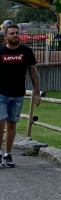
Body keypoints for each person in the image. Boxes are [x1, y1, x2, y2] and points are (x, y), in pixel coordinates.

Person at [0, 22, 41, 168]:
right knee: (0, 122)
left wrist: (37, 92)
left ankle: (7, 154)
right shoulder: (1, 52)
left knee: (12, 123)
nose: (15, 36)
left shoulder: (26, 52)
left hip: (18, 94)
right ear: (6, 36)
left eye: (17, 33)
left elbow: (33, 72)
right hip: (1, 93)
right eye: (12, 33)